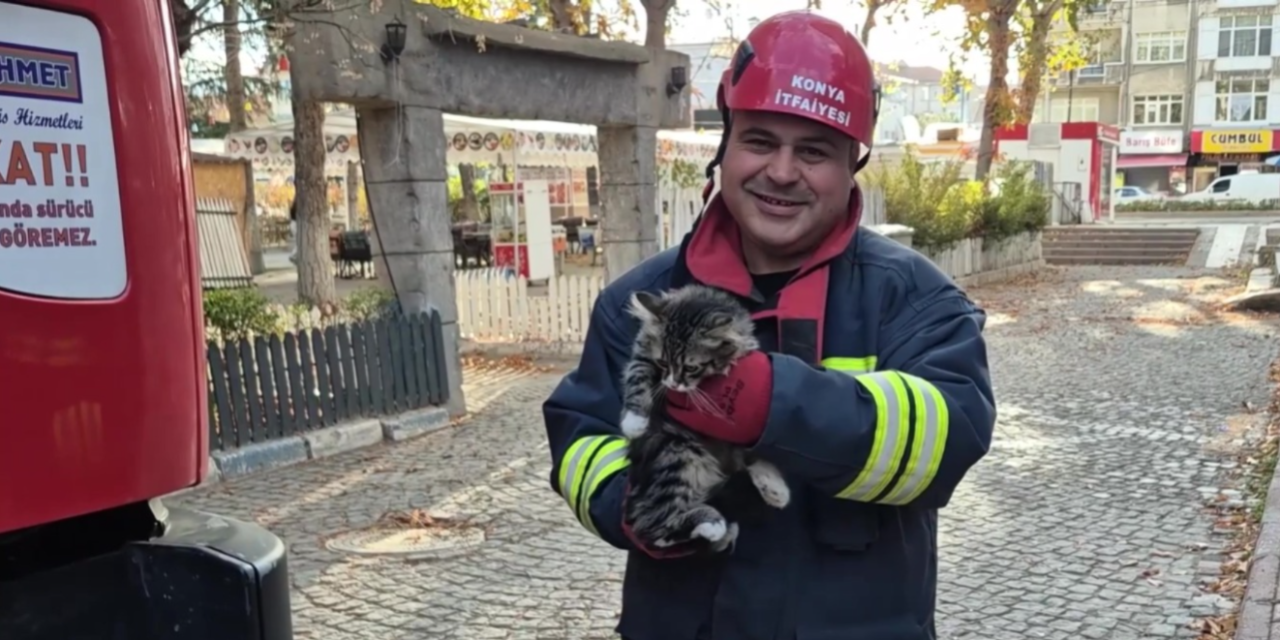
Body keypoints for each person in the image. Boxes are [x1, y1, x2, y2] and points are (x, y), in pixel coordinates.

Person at [542, 10, 996, 640]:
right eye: (759, 141)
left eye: (813, 151)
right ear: (724, 146)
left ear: (853, 163)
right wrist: (639, 505)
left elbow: (952, 439)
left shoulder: (912, 297)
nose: (781, 172)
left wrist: (774, 404)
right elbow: (581, 440)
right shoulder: (642, 304)